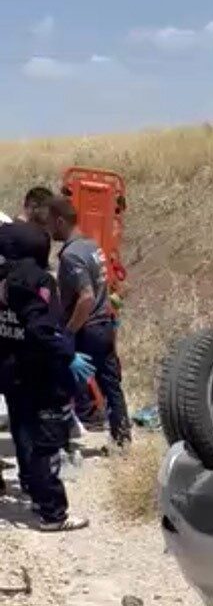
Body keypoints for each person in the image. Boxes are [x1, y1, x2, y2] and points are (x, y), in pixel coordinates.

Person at [0, 221, 92, 531]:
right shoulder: (36, 281)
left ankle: (33, 489)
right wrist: (68, 355)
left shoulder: (4, 280)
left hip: (11, 371)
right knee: (47, 441)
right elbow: (41, 328)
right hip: (38, 373)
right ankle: (53, 512)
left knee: (24, 435)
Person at [47, 196, 131, 447]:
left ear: (60, 221)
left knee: (60, 379)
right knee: (110, 383)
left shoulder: (71, 256)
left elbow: (86, 297)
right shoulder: (93, 247)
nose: (50, 230)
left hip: (87, 329)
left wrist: (69, 332)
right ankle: (122, 439)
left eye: (51, 223)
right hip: (104, 324)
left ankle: (61, 440)